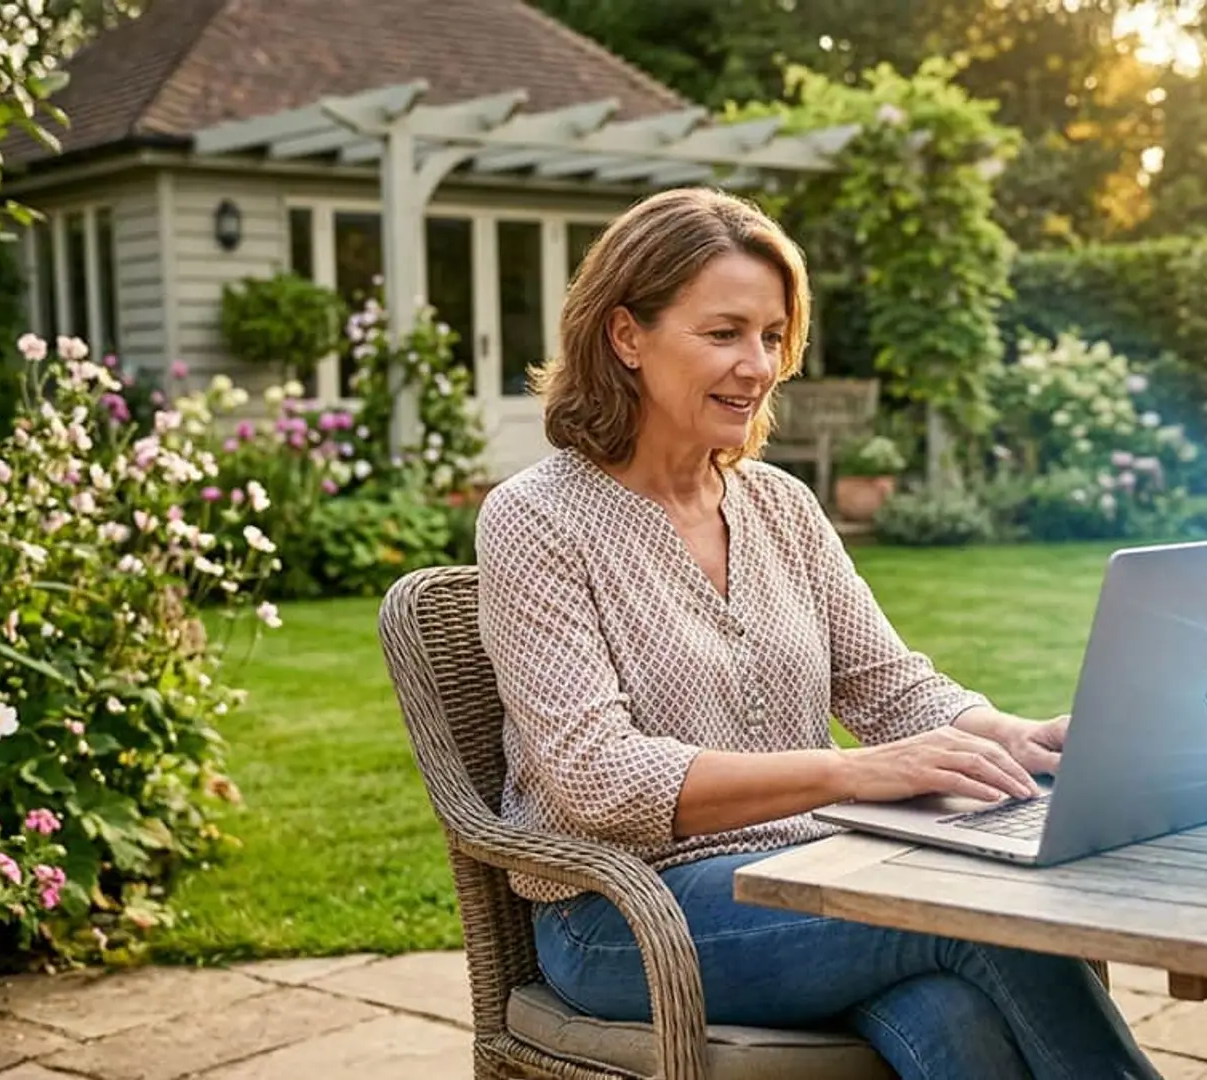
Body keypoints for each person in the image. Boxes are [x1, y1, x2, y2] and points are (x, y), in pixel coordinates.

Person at [473, 186, 1160, 1080]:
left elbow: (888, 683)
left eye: (771, 336)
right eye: (724, 333)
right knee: (981, 913)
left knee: (955, 1017)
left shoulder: (781, 506)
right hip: (622, 914)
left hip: (804, 873)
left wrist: (1009, 735)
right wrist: (852, 772)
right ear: (626, 336)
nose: (756, 366)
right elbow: (596, 777)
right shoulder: (536, 520)